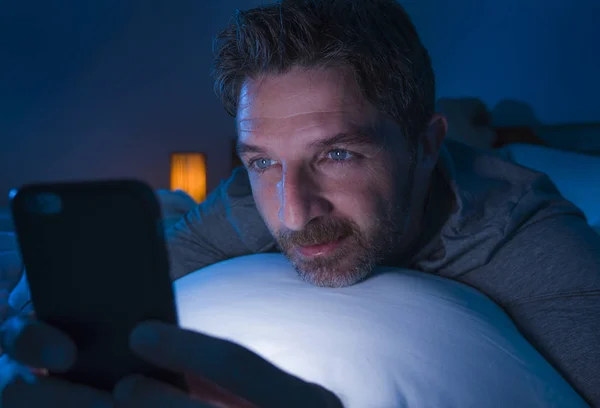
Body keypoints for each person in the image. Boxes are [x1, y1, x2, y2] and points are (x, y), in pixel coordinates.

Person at [2, 0, 599, 407]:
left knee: (503, 127)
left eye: (337, 154)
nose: (292, 214)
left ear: (425, 146)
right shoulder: (242, 202)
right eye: (262, 160)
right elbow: (148, 264)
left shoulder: (536, 246)